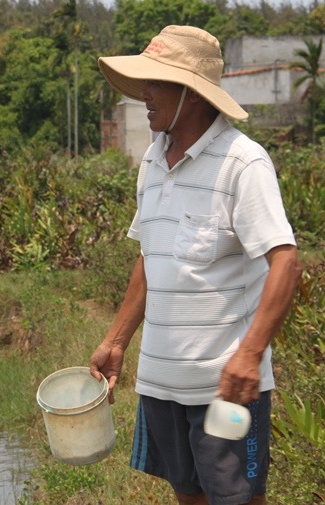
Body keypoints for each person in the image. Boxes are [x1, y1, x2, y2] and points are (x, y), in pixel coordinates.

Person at [90, 25, 302, 505]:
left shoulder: (242, 163)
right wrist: (116, 341)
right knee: (188, 493)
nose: (144, 94)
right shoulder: (152, 160)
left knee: (237, 498)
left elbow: (285, 262)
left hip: (224, 390)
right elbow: (151, 256)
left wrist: (249, 356)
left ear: (193, 94)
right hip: (162, 384)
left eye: (155, 83)